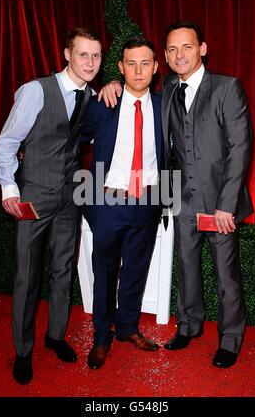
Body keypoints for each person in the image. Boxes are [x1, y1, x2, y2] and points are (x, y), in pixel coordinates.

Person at [99, 21, 254, 368]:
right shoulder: (168, 87)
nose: (178, 54)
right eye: (171, 49)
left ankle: (230, 339)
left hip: (219, 203)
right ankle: (189, 325)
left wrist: (228, 205)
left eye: (186, 47)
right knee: (187, 267)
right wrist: (112, 84)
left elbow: (240, 147)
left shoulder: (228, 88)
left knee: (226, 274)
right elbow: (136, 95)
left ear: (202, 48)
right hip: (181, 198)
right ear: (165, 57)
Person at [0, 27, 102, 384]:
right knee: (27, 277)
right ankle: (23, 351)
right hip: (33, 196)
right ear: (67, 54)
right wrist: (9, 187)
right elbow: (7, 142)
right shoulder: (35, 91)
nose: (90, 62)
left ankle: (55, 336)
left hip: (69, 197)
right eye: (83, 54)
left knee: (62, 270)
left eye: (96, 56)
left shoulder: (91, 95)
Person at [79, 37, 164, 370]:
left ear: (156, 68)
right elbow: (72, 142)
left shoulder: (165, 105)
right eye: (131, 63)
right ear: (120, 68)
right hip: (107, 201)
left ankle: (127, 327)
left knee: (135, 269)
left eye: (145, 63)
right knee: (104, 270)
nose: (138, 70)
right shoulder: (102, 104)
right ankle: (102, 337)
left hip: (149, 200)